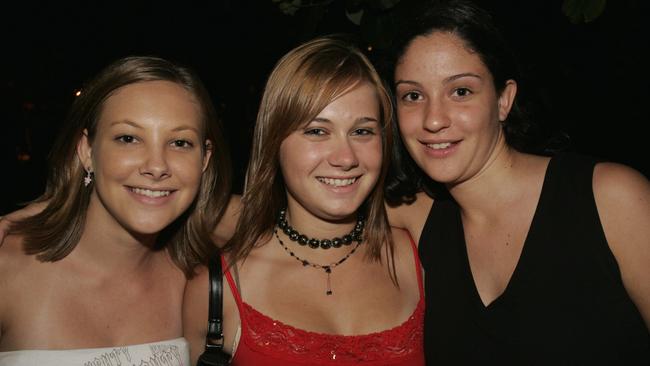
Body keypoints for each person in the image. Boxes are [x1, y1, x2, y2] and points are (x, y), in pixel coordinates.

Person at [383, 0, 650, 364]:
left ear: (504, 100)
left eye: (460, 91)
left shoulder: (610, 197)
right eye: (413, 96)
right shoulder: (417, 215)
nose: (433, 120)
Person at [183, 36, 425, 365]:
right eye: (317, 131)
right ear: (274, 141)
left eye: (362, 131)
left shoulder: (417, 254)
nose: (345, 158)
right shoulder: (217, 289)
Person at [0, 56, 233, 365]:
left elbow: (277, 216)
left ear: (203, 160)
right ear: (87, 151)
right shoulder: (8, 270)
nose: (156, 166)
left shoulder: (196, 280)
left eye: (179, 142)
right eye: (128, 138)